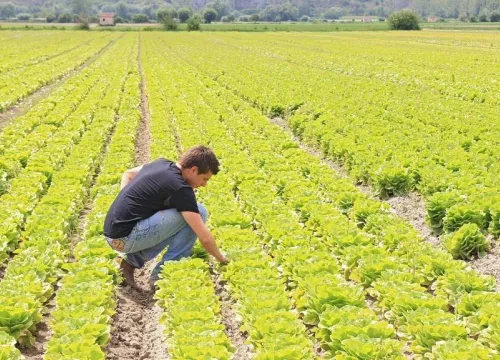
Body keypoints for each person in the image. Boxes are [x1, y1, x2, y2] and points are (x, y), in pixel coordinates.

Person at [103, 145, 229, 290]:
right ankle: (163, 274)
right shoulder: (180, 188)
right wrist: (221, 258)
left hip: (113, 234)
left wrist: (126, 201)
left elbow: (128, 174)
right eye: (204, 179)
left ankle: (128, 263)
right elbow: (205, 238)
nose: (204, 185)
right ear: (193, 170)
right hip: (124, 239)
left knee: (180, 214)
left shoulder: (161, 163)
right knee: (199, 212)